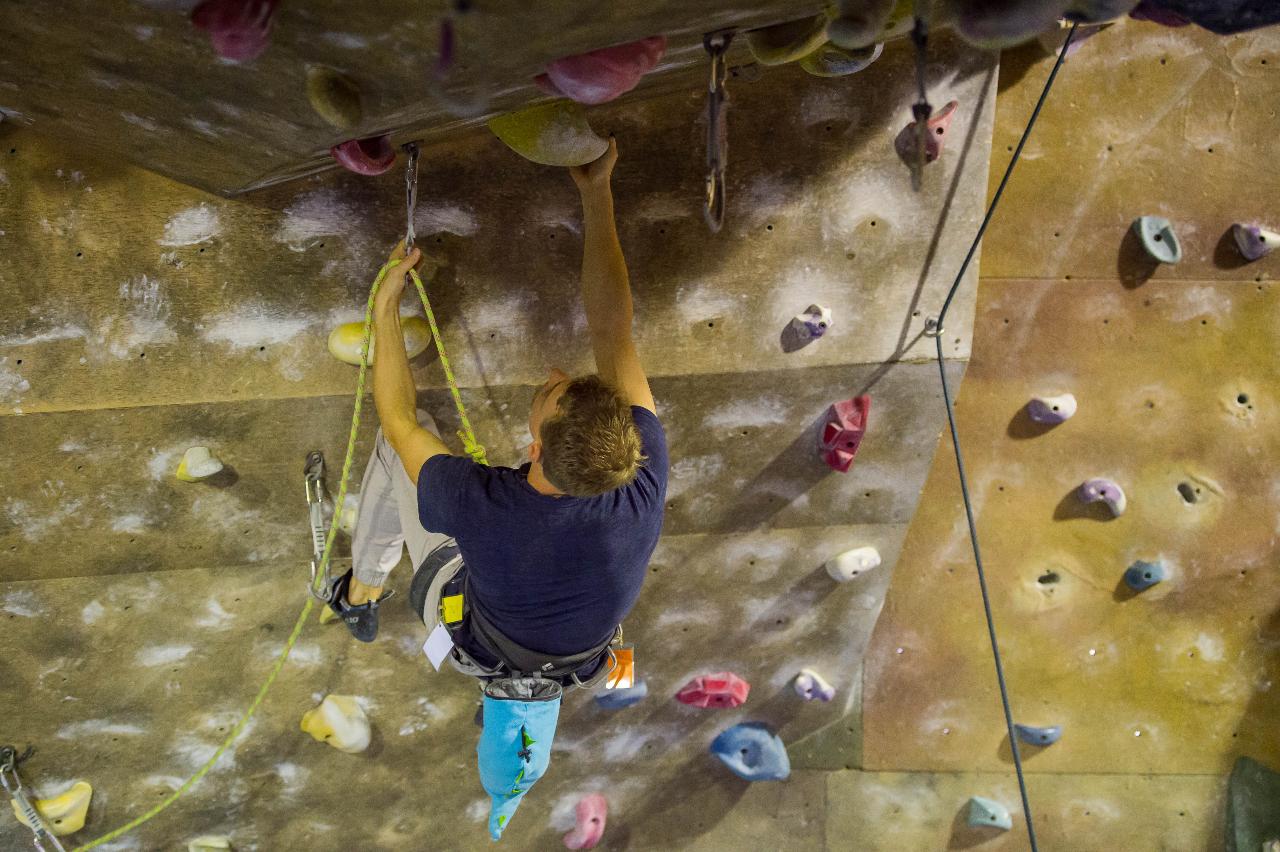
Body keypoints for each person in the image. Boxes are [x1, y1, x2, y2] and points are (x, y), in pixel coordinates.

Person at [327, 138, 667, 683]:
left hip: (478, 633)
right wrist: (597, 190)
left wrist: (386, 303)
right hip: (569, 655)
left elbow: (400, 421)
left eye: (546, 394)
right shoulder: (641, 476)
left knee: (404, 447)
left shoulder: (484, 508)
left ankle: (362, 589)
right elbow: (612, 327)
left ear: (533, 452)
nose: (555, 375)